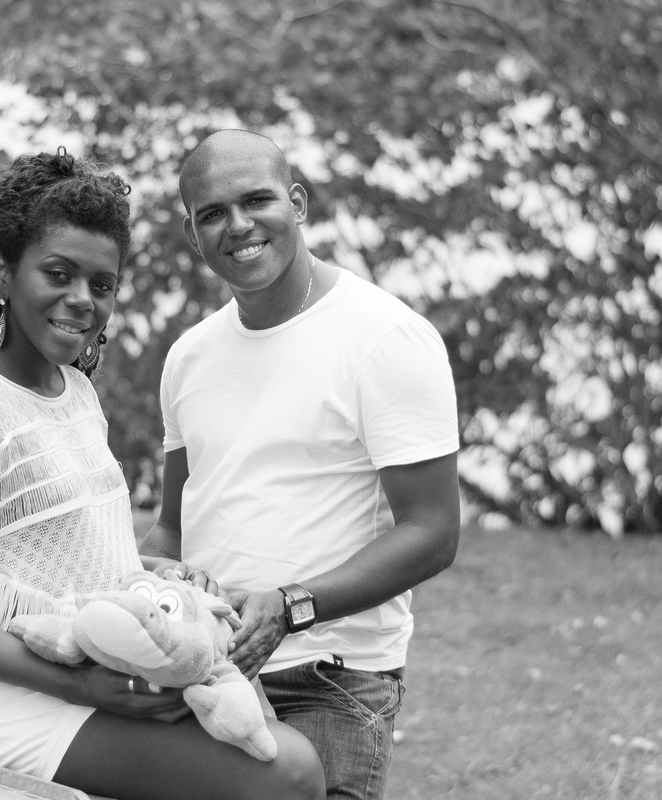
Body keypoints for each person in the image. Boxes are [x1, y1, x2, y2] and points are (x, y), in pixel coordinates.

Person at [0, 148, 324, 800]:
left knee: (258, 729)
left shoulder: (73, 389)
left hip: (80, 660)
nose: (82, 300)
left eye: (102, 285)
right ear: (4, 275)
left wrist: (158, 573)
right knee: (291, 773)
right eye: (58, 274)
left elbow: (53, 554)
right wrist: (81, 686)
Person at [140, 129, 461, 800]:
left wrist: (291, 607)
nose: (238, 225)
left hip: (328, 680)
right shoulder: (189, 357)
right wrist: (157, 580)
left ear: (297, 202)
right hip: (203, 676)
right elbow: (172, 528)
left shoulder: (385, 336)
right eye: (213, 213)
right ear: (194, 234)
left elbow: (432, 532)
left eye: (256, 200)